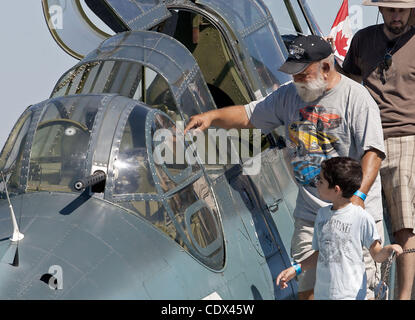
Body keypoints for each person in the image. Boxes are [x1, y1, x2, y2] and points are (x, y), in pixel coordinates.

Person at [184, 34, 386, 300]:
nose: (296, 80)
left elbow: (373, 152)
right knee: (307, 290)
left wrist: (359, 196)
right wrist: (211, 117)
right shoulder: (288, 96)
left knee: (356, 290)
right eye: (294, 74)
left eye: (303, 73)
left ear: (326, 68)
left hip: (353, 216)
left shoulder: (357, 99)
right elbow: (249, 115)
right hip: (312, 215)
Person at [341, 0, 415, 300]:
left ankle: (403, 295)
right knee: (359, 217)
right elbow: (349, 82)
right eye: (391, 9)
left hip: (405, 136)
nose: (396, 15)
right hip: (365, 140)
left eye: (402, 9)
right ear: (381, 10)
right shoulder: (363, 39)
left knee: (404, 225)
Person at [275, 157, 403, 300]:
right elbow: (320, 254)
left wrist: (389, 249)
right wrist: (295, 269)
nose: (316, 183)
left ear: (336, 190)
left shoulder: (361, 217)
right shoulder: (322, 215)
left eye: (321, 181)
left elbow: (376, 254)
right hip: (324, 295)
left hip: (352, 295)